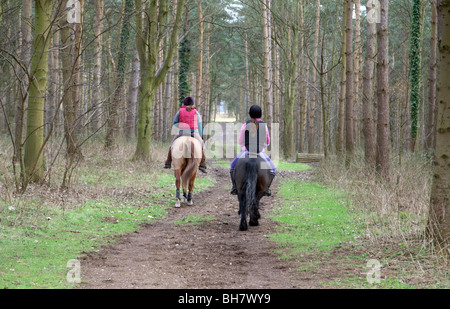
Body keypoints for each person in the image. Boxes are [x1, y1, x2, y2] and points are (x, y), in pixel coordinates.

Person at [230, 105, 276, 196]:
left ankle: (234, 187)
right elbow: (267, 142)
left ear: (250, 114)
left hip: (246, 151)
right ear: (260, 114)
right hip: (260, 152)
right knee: (273, 169)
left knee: (232, 167)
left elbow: (240, 141)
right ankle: (267, 188)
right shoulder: (264, 126)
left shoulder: (245, 124)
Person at [164, 96, 207, 173]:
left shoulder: (179, 111)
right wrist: (201, 136)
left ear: (184, 103)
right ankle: (203, 164)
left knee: (172, 145)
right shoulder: (196, 112)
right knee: (202, 145)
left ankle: (168, 162)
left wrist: (182, 127)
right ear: (192, 104)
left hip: (182, 132)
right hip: (194, 132)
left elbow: (175, 123)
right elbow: (199, 126)